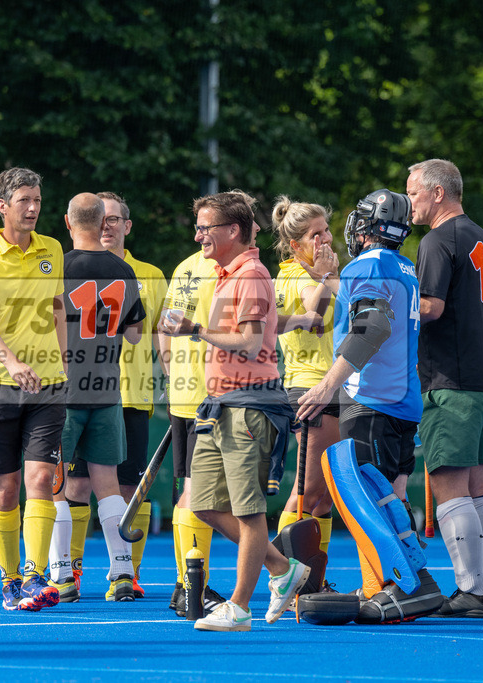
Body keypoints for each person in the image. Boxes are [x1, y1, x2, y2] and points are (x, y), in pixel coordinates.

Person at [161, 190, 309, 632]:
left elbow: (248, 343)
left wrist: (196, 330)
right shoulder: (223, 273)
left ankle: (239, 608)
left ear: (233, 231)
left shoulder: (252, 274)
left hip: (248, 407)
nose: (198, 234)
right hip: (219, 405)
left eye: (206, 227)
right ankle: (283, 568)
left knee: (249, 512)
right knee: (202, 504)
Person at [296, 189, 424, 603]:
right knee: (392, 496)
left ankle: (391, 585)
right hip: (402, 398)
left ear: (366, 225)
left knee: (365, 498)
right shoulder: (403, 266)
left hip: (370, 397)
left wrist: (327, 385)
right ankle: (409, 579)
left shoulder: (366, 264)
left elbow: (371, 327)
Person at [48, 192, 167, 601]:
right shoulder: (124, 268)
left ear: (67, 222)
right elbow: (135, 334)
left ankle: (63, 574)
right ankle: (121, 572)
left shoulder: (57, 266)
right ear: (103, 223)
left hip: (64, 391)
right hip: (108, 389)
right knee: (110, 485)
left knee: (55, 485)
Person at [408, 159, 483, 618]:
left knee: (449, 483)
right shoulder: (482, 237)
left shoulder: (437, 239)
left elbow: (429, 307)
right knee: (477, 487)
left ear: (436, 193)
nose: (408, 202)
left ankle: (471, 590)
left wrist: (387, 299)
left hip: (454, 380)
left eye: (412, 193)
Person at [0, 167, 66, 611]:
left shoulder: (53, 249)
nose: (32, 208)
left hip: (49, 386)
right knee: (5, 489)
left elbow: (58, 308)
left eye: (38, 201)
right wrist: (11, 360)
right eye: (24, 200)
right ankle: (9, 580)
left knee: (41, 479)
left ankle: (35, 573)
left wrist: (64, 362)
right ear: (2, 206)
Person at [271, 197, 339, 566]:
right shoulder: (297, 275)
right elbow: (315, 314)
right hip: (311, 387)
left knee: (324, 496)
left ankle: (313, 575)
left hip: (331, 384)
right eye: (316, 234)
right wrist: (329, 277)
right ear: (295, 245)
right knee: (307, 492)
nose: (326, 239)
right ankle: (282, 571)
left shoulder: (312, 273)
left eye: (326, 230)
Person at [161, 244, 221, 617]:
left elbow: (166, 326)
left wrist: (172, 374)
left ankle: (185, 583)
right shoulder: (223, 269)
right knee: (200, 492)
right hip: (209, 395)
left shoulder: (185, 265)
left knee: (192, 489)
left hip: (186, 393)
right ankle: (191, 587)